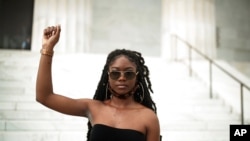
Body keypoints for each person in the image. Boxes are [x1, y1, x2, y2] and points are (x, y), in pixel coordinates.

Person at [36, 25, 161, 141]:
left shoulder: (148, 117)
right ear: (107, 76)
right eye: (115, 73)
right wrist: (47, 49)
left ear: (137, 77)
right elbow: (45, 97)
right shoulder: (93, 107)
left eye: (129, 73)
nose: (122, 78)